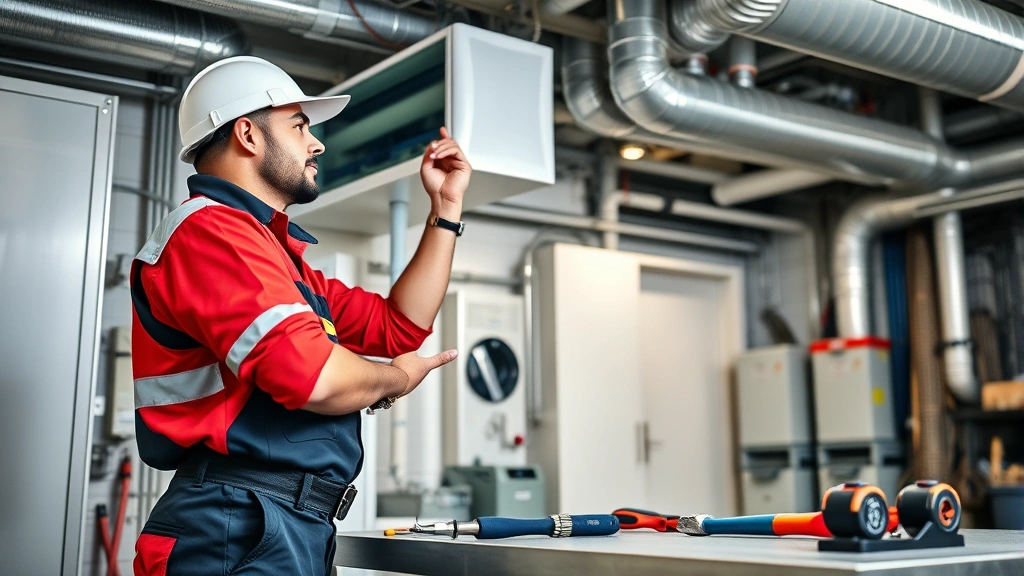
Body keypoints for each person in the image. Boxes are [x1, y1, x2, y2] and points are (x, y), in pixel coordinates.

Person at [130, 55, 470, 576]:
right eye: (300, 125)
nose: (317, 144)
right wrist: (396, 378)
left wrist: (445, 210)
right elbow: (312, 376)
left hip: (280, 522)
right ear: (247, 134)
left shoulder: (279, 258)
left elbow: (397, 325)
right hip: (237, 523)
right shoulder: (210, 233)